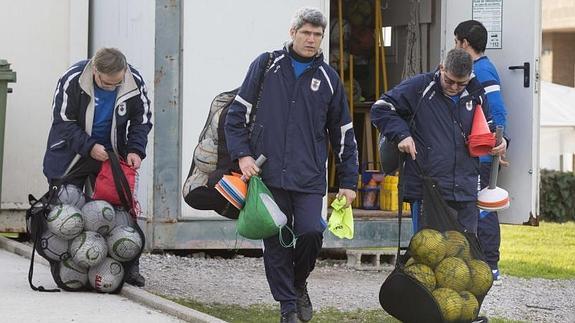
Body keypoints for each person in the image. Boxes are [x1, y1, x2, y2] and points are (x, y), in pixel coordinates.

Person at [225, 7, 359, 323]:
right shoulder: (267, 65)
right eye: (306, 33)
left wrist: (349, 182)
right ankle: (287, 307)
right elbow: (236, 116)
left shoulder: (329, 78)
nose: (311, 40)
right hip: (267, 175)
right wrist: (243, 155)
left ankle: (298, 285)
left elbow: (343, 133)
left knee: (312, 231)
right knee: (276, 243)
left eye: (317, 35)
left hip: (309, 175)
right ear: (293, 32)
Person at [43, 47, 153, 287]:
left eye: (117, 83)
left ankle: (127, 268)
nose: (113, 87)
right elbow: (62, 121)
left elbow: (141, 120)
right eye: (106, 83)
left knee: (120, 210)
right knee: (66, 208)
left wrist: (135, 149)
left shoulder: (133, 80)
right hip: (73, 153)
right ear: (95, 70)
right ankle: (65, 268)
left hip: (112, 155)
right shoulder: (72, 79)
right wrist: (89, 146)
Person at [371, 48, 507, 236]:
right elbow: (381, 108)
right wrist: (401, 134)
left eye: (461, 84)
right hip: (427, 187)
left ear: (470, 77)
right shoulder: (419, 86)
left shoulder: (476, 91)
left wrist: (500, 143)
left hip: (465, 187)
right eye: (449, 81)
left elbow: (488, 126)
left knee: (465, 253)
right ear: (441, 68)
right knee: (429, 252)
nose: (453, 87)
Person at [455, 20, 508, 283]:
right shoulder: (476, 69)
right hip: (475, 154)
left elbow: (497, 112)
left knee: (483, 208)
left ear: (464, 43)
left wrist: (498, 143)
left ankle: (490, 265)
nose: (455, 47)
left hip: (483, 155)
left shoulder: (483, 71)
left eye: (456, 42)